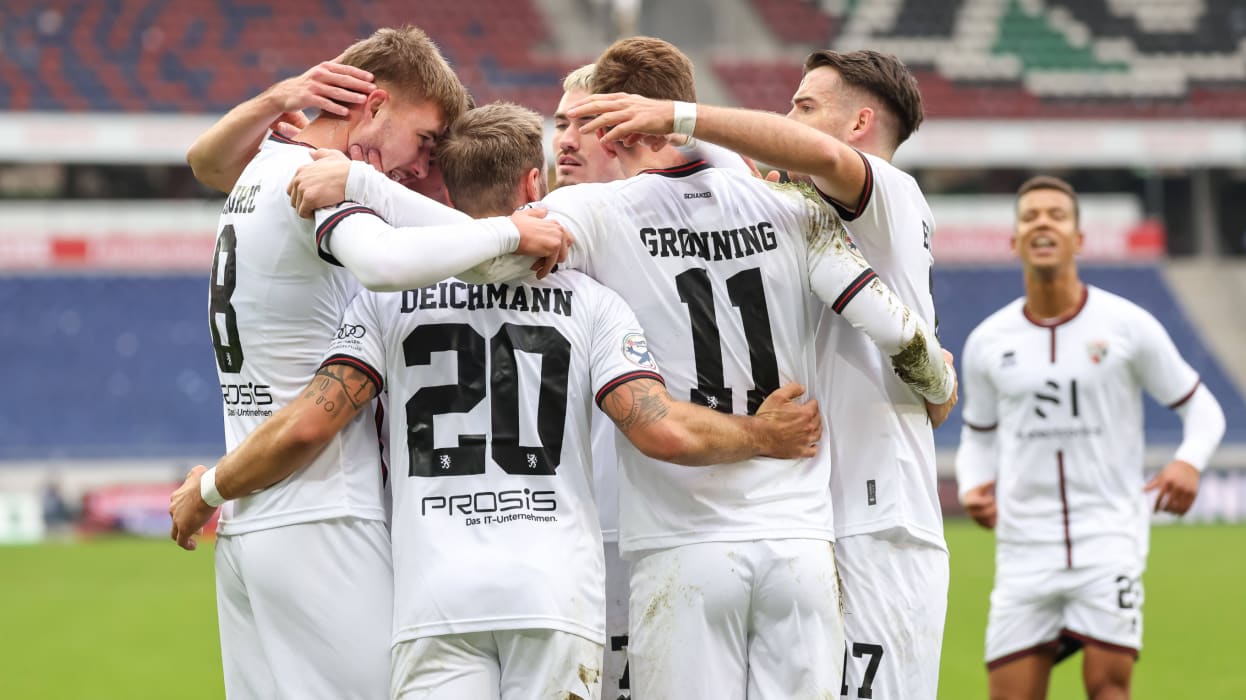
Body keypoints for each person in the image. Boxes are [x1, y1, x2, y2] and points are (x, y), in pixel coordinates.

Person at [292, 36, 956, 700]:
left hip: (681, 544)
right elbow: (894, 328)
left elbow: (495, 245)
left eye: (586, 120)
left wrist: (364, 188)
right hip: (799, 544)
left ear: (619, 120)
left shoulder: (597, 213)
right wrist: (939, 382)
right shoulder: (790, 206)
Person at [181, 101, 823, 700]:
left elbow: (309, 420)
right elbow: (661, 431)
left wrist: (212, 487)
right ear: (535, 183)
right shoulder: (592, 303)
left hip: (436, 601)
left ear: (446, 189)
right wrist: (763, 434)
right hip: (554, 596)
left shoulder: (387, 303)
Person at [167, 27, 570, 700]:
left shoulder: (264, 163)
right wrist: (509, 231)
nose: (417, 166)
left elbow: (205, 163)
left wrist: (278, 100)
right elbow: (385, 263)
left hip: (250, 522)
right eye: (425, 140)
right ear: (374, 104)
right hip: (324, 512)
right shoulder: (321, 184)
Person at [567, 48, 956, 699]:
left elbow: (810, 157)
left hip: (876, 517)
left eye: (804, 107)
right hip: (813, 518)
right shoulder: (797, 211)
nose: (785, 120)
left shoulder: (884, 190)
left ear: (859, 123)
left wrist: (676, 115)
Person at [954, 175, 1225, 700]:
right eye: (1030, 216)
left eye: (1056, 215)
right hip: (1024, 551)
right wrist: (972, 484)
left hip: (1107, 541)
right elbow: (978, 435)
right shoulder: (988, 341)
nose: (1043, 224)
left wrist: (1188, 461)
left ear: (1078, 239)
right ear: (1014, 241)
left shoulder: (1127, 326)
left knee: (1108, 689)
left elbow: (1203, 410)